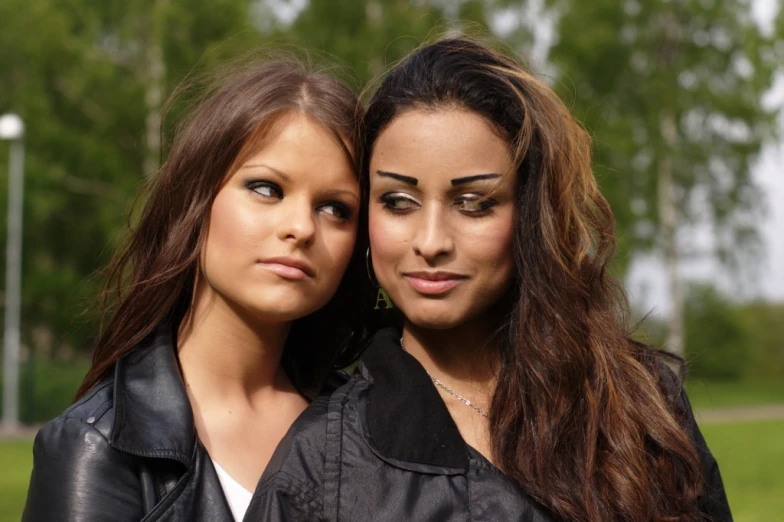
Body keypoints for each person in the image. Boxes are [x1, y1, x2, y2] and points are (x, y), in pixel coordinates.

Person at [245, 37, 732, 522]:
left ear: (528, 215)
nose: (432, 241)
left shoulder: (639, 400)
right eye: (397, 201)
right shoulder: (319, 470)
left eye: (474, 204)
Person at [22, 57, 364, 522]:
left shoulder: (370, 426)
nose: (301, 228)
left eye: (335, 208)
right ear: (196, 201)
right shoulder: (95, 447)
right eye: (266, 188)